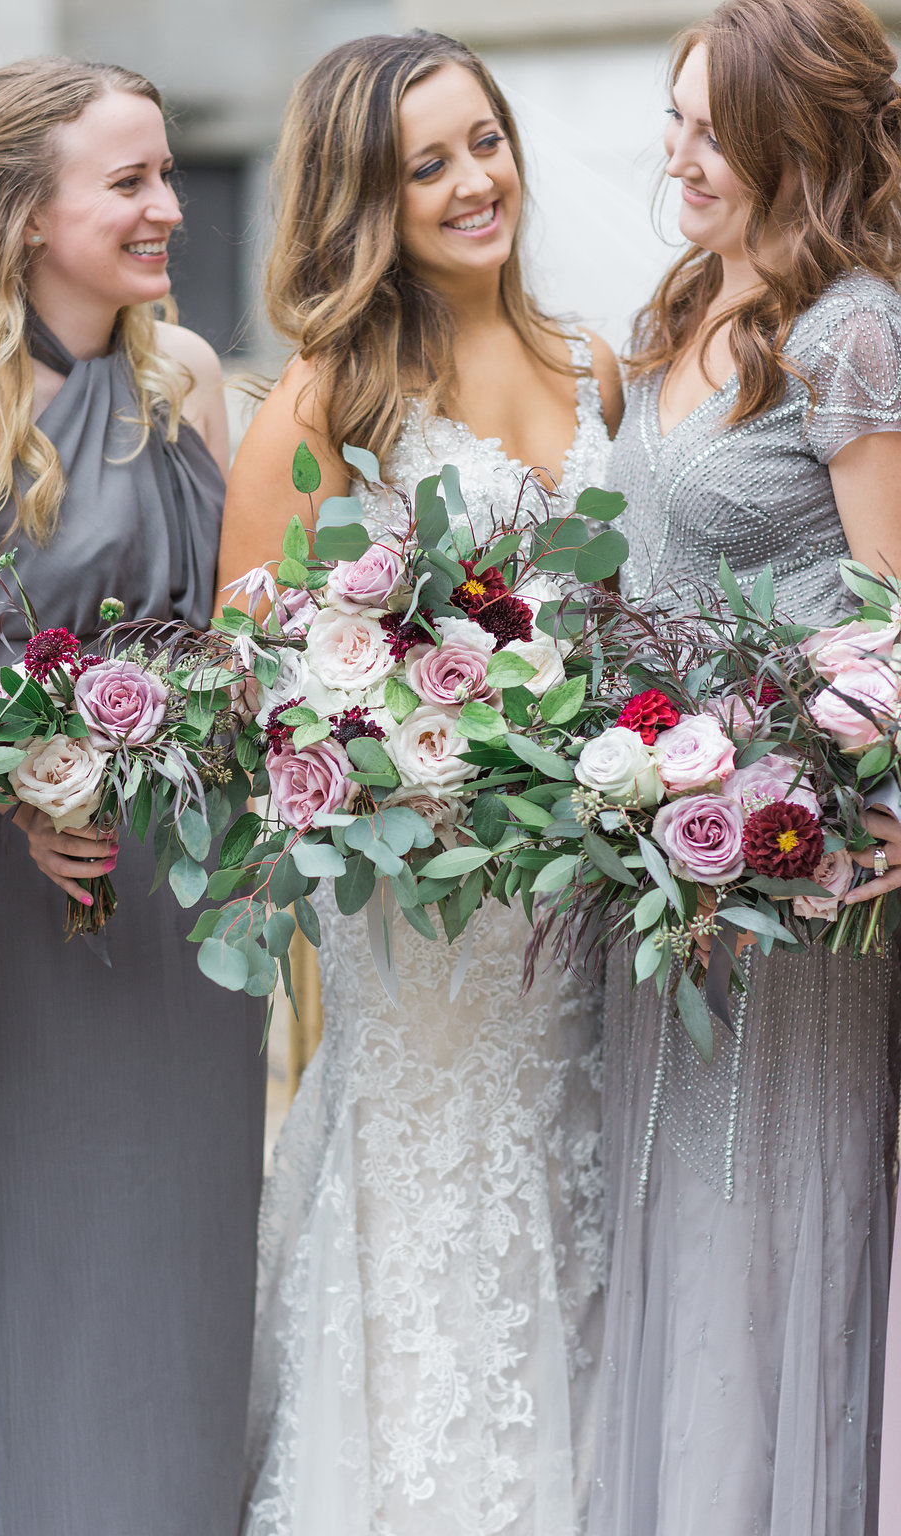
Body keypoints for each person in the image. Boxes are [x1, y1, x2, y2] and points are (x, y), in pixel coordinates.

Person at [219, 31, 622, 1536]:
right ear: (363, 204)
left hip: (588, 903)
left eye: (485, 142)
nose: (474, 184)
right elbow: (253, 676)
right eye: (425, 166)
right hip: (433, 920)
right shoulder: (325, 408)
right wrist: (395, 731)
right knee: (441, 1228)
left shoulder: (602, 363)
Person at [0, 59, 265, 1536]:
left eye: (167, 174)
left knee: (179, 1271)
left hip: (186, 910)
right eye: (129, 182)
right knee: (47, 1271)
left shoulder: (190, 380)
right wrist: (29, 790)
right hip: (7, 903)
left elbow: (229, 635)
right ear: (30, 205)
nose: (168, 207)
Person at [592, 3, 901, 1532]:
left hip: (794, 861)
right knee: (663, 1201)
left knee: (755, 1218)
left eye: (717, 127)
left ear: (803, 135)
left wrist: (877, 799)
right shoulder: (683, 298)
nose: (683, 154)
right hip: (653, 853)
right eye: (676, 117)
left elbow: (898, 603)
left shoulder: (850, 328)